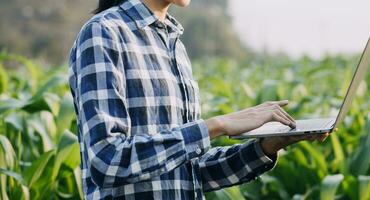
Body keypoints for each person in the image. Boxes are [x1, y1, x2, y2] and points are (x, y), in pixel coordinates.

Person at [68, 0, 331, 199]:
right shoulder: (104, 33)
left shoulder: (174, 44)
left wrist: (267, 147)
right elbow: (106, 161)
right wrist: (216, 126)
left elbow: (189, 172)